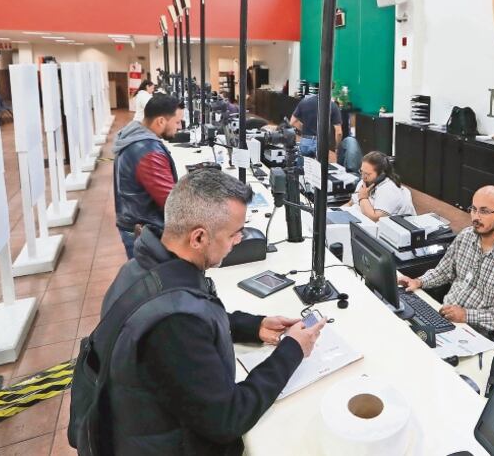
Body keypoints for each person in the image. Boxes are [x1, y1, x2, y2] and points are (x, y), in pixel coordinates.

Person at [97, 169, 326, 454]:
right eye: (234, 233)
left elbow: (191, 316)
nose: (239, 240)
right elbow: (228, 419)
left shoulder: (142, 268)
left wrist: (252, 326)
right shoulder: (174, 325)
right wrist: (293, 349)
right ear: (198, 238)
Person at [397, 185, 494, 335]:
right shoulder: (466, 236)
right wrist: (419, 281)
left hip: (477, 332)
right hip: (444, 317)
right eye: (473, 209)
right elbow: (443, 272)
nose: (476, 217)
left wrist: (467, 316)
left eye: (484, 211)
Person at [113, 93, 182, 258]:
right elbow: (171, 201)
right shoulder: (148, 152)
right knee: (153, 281)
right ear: (160, 121)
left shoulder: (134, 135)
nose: (179, 127)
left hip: (134, 221)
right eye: (177, 122)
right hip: (144, 230)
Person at [346, 151, 415, 222]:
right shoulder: (365, 181)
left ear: (381, 174)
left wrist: (363, 198)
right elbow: (351, 202)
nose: (363, 177)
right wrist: (337, 212)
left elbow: (375, 219)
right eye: (361, 171)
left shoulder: (389, 189)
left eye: (367, 174)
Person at [290, 93, 341, 159]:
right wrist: (336, 147)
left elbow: (292, 122)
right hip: (321, 143)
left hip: (306, 141)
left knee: (303, 166)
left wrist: (306, 129)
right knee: (319, 168)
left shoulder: (304, 102)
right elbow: (339, 132)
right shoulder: (333, 106)